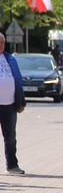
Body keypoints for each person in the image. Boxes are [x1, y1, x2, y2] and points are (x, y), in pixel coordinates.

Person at [0, 32, 26, 175]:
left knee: (10, 138)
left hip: (9, 105)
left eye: (2, 42)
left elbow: (18, 81)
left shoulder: (10, 59)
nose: (0, 45)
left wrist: (20, 102)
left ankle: (12, 165)